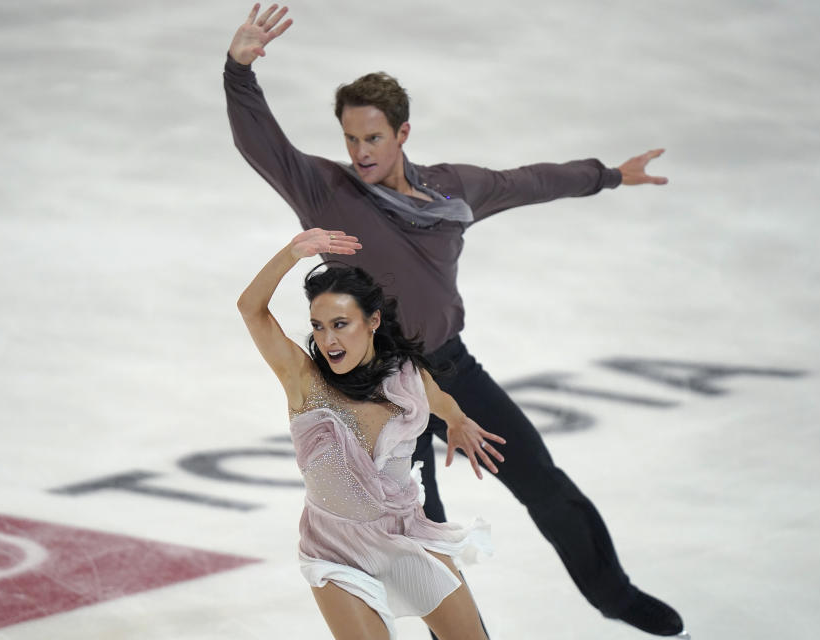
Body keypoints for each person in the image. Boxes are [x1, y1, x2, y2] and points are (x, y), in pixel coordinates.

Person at [224, 4, 686, 637]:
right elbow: (262, 145)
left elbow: (526, 182)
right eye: (350, 139)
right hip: (377, 390)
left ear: (403, 132)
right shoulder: (325, 190)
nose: (359, 153)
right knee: (421, 545)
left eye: (373, 138)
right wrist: (239, 72)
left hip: (448, 367)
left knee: (544, 483)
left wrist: (605, 176)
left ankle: (617, 597)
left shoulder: (450, 194)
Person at [237, 226, 506, 640]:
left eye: (340, 324)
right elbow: (250, 309)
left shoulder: (405, 378)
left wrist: (458, 422)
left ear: (373, 321)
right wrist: (292, 254)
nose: (328, 340)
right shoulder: (305, 382)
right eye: (319, 326)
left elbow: (440, 399)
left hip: (405, 535)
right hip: (334, 551)